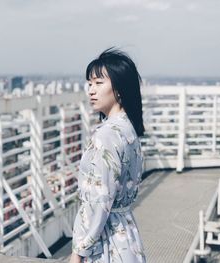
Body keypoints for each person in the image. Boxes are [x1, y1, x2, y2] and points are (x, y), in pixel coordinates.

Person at [69, 48, 146, 263]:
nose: (91, 90)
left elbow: (99, 200)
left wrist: (79, 251)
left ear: (119, 89)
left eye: (99, 83)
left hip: (106, 245)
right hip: (127, 238)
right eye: (90, 83)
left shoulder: (107, 135)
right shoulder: (128, 129)